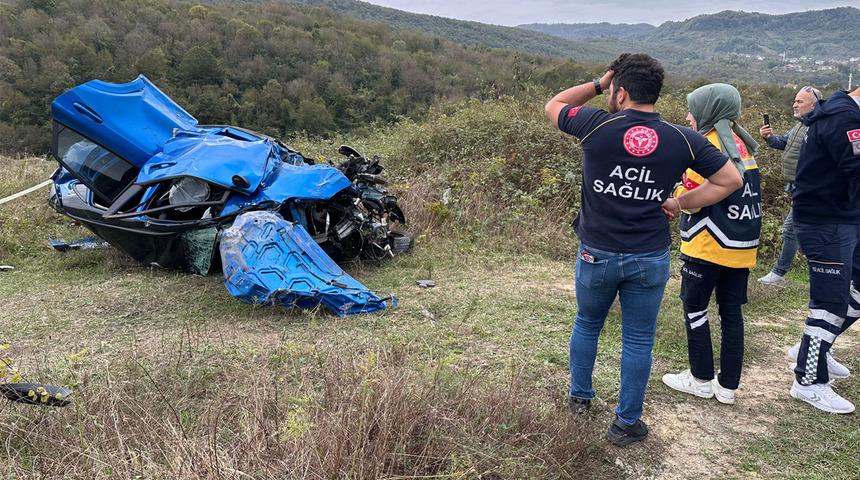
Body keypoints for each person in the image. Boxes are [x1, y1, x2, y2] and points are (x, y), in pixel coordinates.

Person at [544, 53, 742, 447]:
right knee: (638, 340)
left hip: (596, 252)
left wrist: (598, 84)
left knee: (587, 324)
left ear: (621, 91)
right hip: (649, 256)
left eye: (612, 89)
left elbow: (554, 105)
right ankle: (626, 423)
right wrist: (680, 203)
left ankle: (580, 399)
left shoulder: (596, 125)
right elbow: (730, 179)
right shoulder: (683, 139)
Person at [661, 84, 761, 405]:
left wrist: (676, 197)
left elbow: (692, 202)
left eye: (693, 109)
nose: (689, 116)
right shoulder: (742, 146)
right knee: (732, 314)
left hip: (707, 246)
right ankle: (728, 387)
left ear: (709, 110)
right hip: (741, 248)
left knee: (695, 309)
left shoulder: (705, 148)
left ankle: (700, 377)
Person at [788, 85, 860, 414]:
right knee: (830, 300)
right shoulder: (844, 118)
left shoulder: (843, 112)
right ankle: (808, 379)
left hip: (844, 217)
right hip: (826, 222)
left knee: (855, 290)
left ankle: (820, 345)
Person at [757, 86, 821, 286]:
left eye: (800, 101)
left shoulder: (819, 127)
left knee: (791, 229)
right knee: (805, 231)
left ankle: (779, 273)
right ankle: (822, 273)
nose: (795, 104)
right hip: (798, 188)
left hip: (811, 190)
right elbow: (782, 142)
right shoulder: (800, 126)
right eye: (795, 100)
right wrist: (768, 138)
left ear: (814, 104)